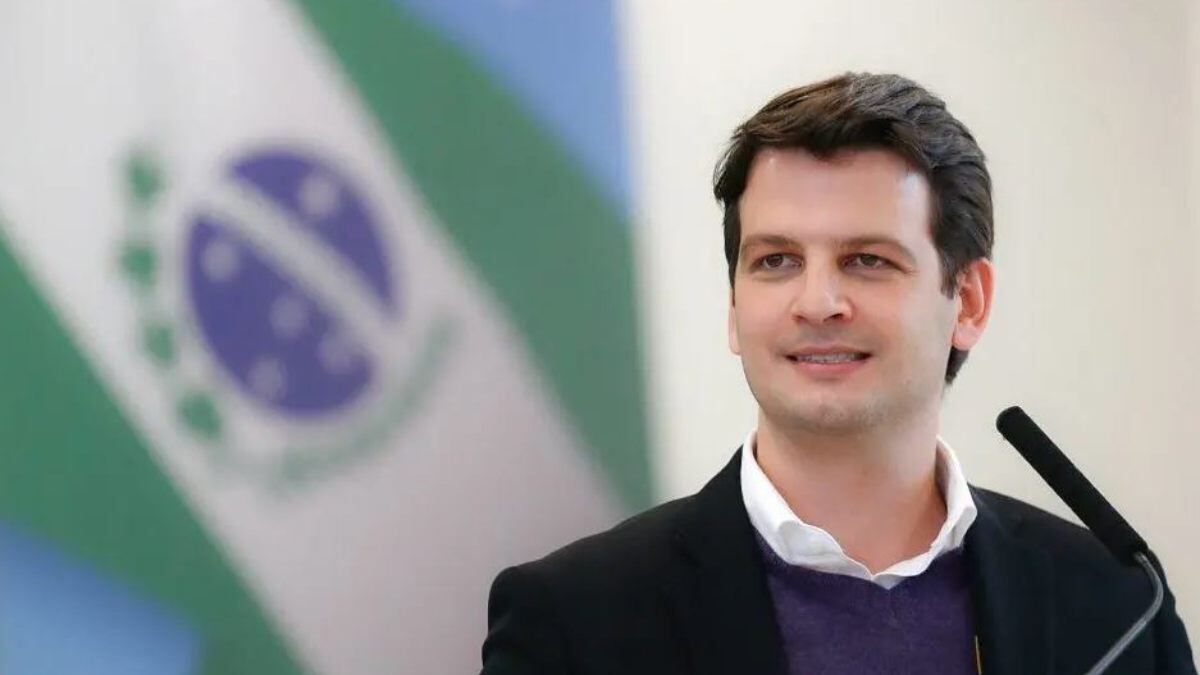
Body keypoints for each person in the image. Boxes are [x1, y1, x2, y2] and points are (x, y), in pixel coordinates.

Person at [479, 72, 1196, 675]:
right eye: (776, 261)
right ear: (734, 305)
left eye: (867, 260)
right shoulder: (574, 621)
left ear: (969, 301)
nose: (817, 302)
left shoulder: (1117, 611)